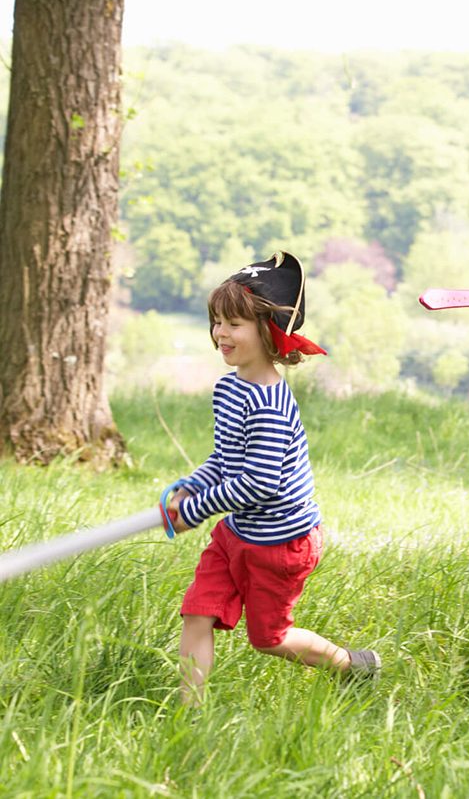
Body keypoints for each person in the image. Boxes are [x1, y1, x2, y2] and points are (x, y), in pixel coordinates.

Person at [168, 251, 381, 705]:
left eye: (234, 324)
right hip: (237, 532)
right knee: (197, 613)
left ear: (269, 333)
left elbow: (258, 483)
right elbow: (227, 460)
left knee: (268, 638)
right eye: (217, 321)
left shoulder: (267, 402)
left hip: (280, 545)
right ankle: (188, 714)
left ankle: (352, 664)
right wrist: (192, 485)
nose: (221, 333)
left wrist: (195, 510)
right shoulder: (230, 387)